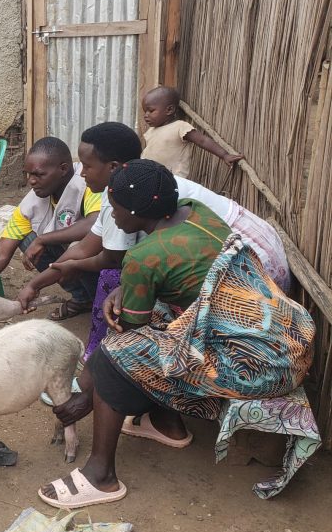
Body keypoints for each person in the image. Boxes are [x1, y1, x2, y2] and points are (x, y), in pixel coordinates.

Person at [38, 161, 313, 508]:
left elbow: (128, 341)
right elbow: (184, 273)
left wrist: (87, 395)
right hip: (288, 340)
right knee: (159, 317)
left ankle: (101, 476)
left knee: (114, 355)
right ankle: (166, 424)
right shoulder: (197, 213)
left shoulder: (144, 257)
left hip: (258, 367)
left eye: (115, 207)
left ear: (135, 211)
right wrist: (126, 287)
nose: (113, 215)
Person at [17, 122, 290, 369]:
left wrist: (51, 276)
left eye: (87, 166)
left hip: (256, 277)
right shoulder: (140, 182)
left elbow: (106, 259)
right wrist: (37, 283)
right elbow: (87, 247)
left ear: (112, 167)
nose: (82, 172)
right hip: (254, 253)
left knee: (124, 289)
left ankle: (117, 365)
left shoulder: (124, 202)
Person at [0, 136, 100, 320]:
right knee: (28, 239)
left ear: (63, 169)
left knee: (75, 245)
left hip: (103, 259)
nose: (31, 181)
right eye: (28, 174)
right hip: (73, 254)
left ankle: (99, 297)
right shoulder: (32, 201)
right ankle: (83, 298)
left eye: (38, 174)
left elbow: (95, 224)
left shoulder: (88, 184)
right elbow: (2, 251)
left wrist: (43, 239)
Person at [141, 86, 243, 178]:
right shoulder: (151, 131)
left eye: (150, 111)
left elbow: (202, 141)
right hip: (150, 177)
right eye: (145, 111)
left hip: (173, 179)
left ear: (169, 110)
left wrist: (224, 155)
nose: (146, 115)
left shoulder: (179, 127)